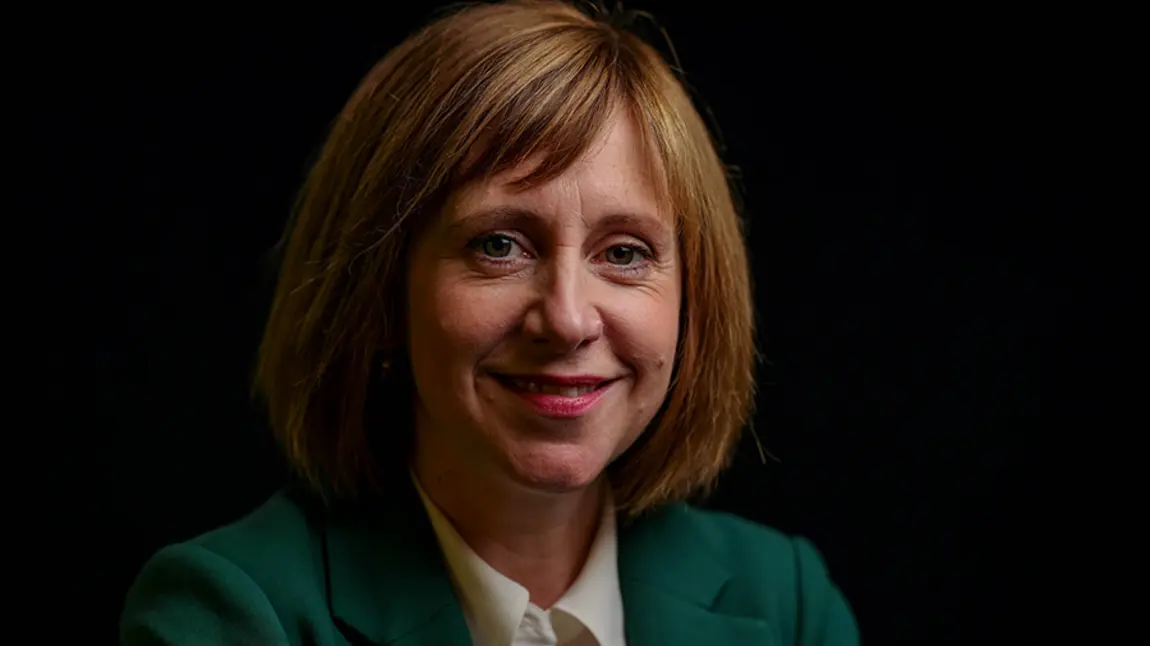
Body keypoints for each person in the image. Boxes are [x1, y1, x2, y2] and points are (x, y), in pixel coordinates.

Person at [120, 1, 859, 644]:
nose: (568, 320)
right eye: (499, 245)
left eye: (625, 253)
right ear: (377, 294)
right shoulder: (235, 614)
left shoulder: (783, 602)